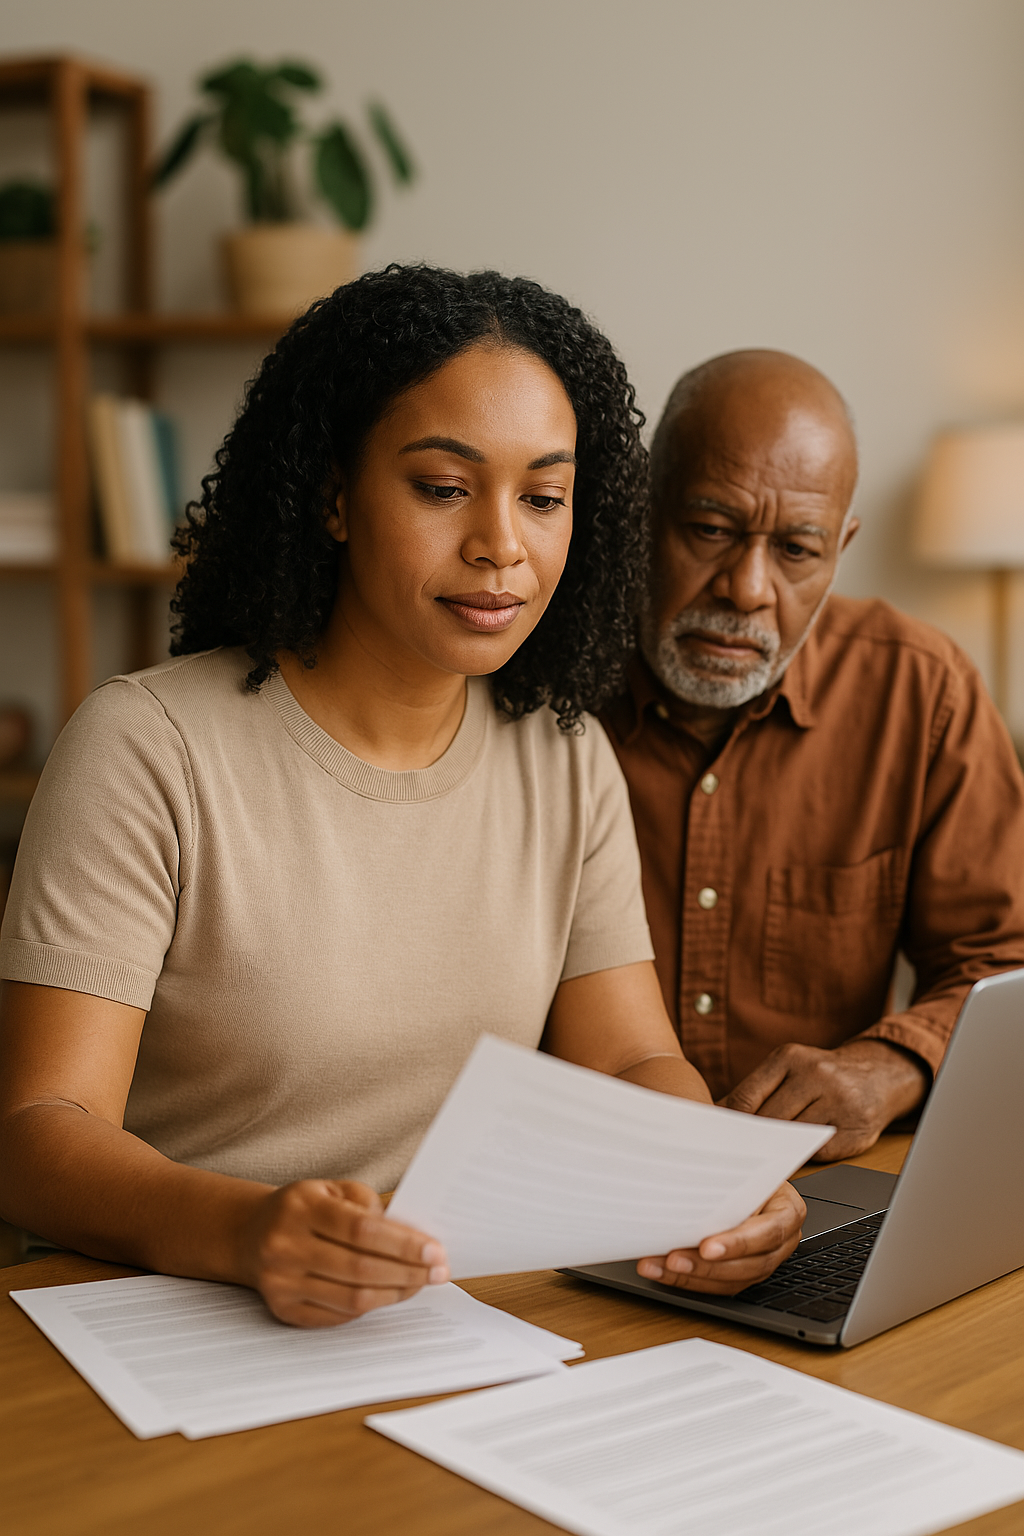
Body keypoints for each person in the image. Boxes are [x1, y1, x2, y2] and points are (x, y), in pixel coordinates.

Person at [0, 270, 804, 1326]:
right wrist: (246, 1232)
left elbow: (629, 1053)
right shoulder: (148, 745)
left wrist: (713, 1183)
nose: (501, 546)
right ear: (333, 494)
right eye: (441, 487)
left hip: (451, 1317)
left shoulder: (562, 756)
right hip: (177, 1316)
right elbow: (38, 1130)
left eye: (543, 497)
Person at [603, 348, 1024, 1164]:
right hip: (577, 1182)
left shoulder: (921, 692)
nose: (749, 588)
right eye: (712, 530)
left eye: (798, 549)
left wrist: (892, 1066)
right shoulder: (541, 690)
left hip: (824, 1179)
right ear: (641, 510)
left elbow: (1006, 962)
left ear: (842, 544)